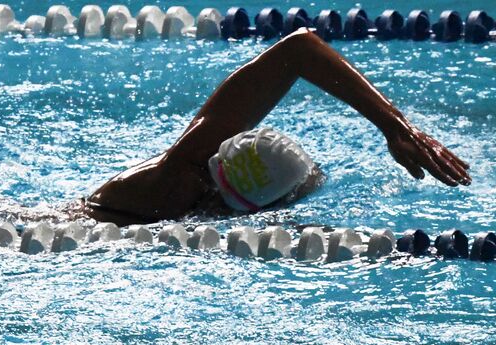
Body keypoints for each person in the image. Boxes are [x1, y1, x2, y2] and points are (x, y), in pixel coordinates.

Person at [84, 28, 470, 224]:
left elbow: (299, 52)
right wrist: (397, 128)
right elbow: (299, 47)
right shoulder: (176, 177)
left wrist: (396, 126)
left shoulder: (201, 165)